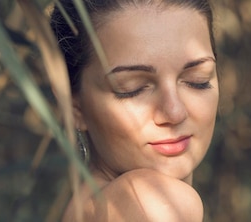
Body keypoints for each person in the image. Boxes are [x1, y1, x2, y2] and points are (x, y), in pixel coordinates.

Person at [50, 0, 218, 221]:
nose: (175, 112)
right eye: (133, 89)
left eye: (198, 80)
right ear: (75, 108)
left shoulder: (86, 209)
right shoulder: (153, 206)